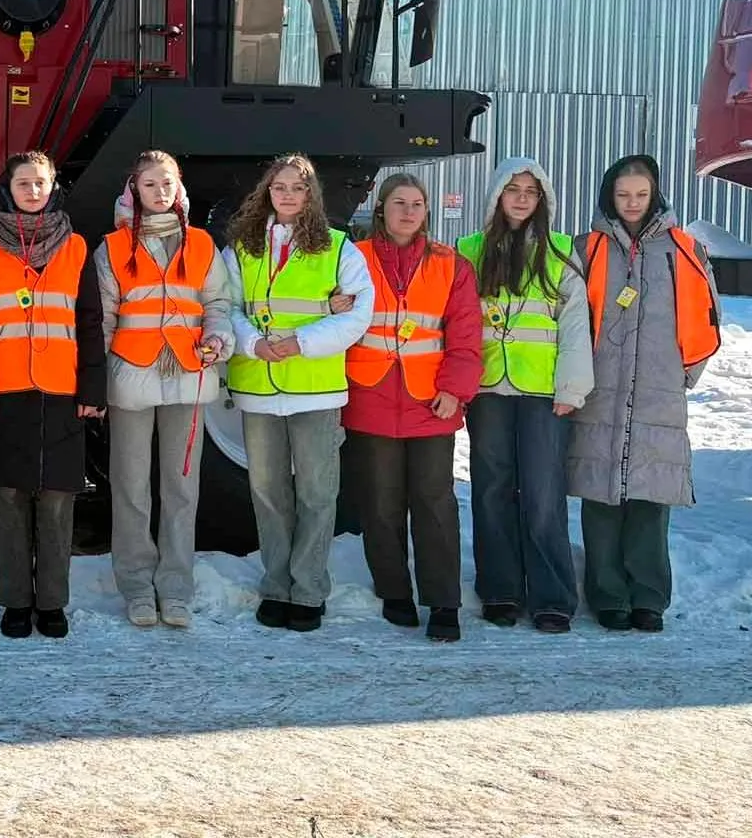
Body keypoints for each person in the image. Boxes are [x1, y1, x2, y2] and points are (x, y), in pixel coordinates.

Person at [569, 154, 721, 634]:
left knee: (650, 501)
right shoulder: (586, 249)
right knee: (601, 498)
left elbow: (709, 315)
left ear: (655, 194)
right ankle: (607, 595)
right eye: (622, 195)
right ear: (608, 197)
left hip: (658, 393)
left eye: (640, 194)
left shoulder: (684, 250)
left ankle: (649, 598)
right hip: (598, 392)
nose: (632, 204)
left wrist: (683, 375)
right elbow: (567, 318)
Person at [221, 153, 373, 633]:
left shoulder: (338, 247)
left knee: (316, 492)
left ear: (311, 196)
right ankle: (276, 585)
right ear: (267, 192)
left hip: (316, 389)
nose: (287, 195)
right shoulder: (242, 248)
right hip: (259, 385)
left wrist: (300, 343)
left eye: (297, 188)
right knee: (267, 492)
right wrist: (253, 342)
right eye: (279, 187)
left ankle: (308, 590)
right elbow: (223, 306)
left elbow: (357, 315)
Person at [0, 151, 106, 639]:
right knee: (8, 499)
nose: (32, 190)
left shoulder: (77, 247)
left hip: (62, 390)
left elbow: (90, 322)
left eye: (40, 182)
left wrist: (92, 388)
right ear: (8, 189)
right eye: (23, 183)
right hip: (2, 392)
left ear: (53, 187)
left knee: (58, 502)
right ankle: (15, 602)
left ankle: (53, 603)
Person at [97, 151, 235, 629]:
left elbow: (218, 303)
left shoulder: (201, 245)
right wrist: (100, 376)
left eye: (168, 183)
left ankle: (175, 589)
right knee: (131, 489)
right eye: (150, 184)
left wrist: (218, 338)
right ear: (134, 190)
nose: (161, 192)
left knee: (181, 489)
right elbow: (103, 318)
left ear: (180, 189)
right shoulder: (113, 247)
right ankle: (136, 587)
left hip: (189, 377)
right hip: (131, 380)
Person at [342, 172, 482, 642]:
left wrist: (455, 390)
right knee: (379, 502)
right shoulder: (352, 259)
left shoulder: (451, 264)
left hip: (431, 401)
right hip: (370, 393)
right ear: (381, 209)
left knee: (435, 501)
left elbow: (465, 335)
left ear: (427, 211)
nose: (408, 211)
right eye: (399, 202)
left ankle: (443, 601)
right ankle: (394, 591)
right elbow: (331, 315)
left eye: (417, 204)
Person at [455, 157, 593, 634]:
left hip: (543, 392)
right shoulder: (468, 251)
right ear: (497, 195)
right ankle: (500, 590)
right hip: (487, 387)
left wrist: (573, 386)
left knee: (542, 493)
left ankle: (553, 595)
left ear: (542, 201)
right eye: (512, 189)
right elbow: (457, 320)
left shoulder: (559, 252)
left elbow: (576, 325)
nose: (520, 198)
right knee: (491, 490)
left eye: (530, 192)